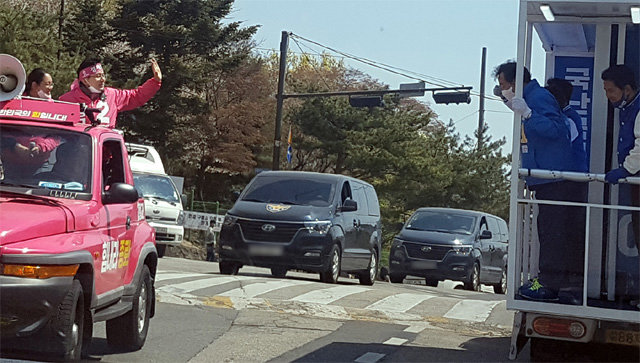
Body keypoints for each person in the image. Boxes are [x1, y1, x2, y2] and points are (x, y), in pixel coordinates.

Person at [494, 61, 583, 303]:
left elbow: (557, 131)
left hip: (554, 178)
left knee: (553, 234)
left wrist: (529, 114)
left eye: (504, 85)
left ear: (515, 83)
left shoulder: (539, 98)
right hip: (544, 178)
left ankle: (549, 285)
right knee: (548, 231)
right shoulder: (530, 96)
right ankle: (546, 282)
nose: (502, 89)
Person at [59, 56, 162, 128]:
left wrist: (155, 82)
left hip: (106, 154)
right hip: (77, 154)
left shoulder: (112, 95)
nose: (103, 79)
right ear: (85, 79)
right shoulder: (67, 100)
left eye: (103, 75)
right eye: (98, 76)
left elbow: (136, 96)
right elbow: (57, 131)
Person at [601, 65, 640, 250]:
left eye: (611, 90)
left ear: (627, 89)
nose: (608, 96)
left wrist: (626, 169)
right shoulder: (627, 108)